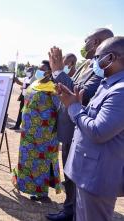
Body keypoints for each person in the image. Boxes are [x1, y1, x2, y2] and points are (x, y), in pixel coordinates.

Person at [46, 28, 114, 221]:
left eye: (87, 40)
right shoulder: (88, 65)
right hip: (70, 126)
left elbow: (82, 93)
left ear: (96, 42)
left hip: (80, 127)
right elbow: (70, 86)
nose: (84, 44)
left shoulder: (102, 69)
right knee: (69, 175)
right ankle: (69, 210)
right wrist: (56, 76)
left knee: (74, 178)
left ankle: (73, 213)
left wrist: (59, 71)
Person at [16, 60, 61, 201]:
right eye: (39, 69)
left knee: (41, 164)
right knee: (28, 161)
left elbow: (60, 110)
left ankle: (42, 193)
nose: (39, 72)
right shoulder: (36, 84)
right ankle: (25, 186)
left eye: (43, 69)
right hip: (28, 133)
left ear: (50, 72)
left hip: (44, 136)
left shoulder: (53, 89)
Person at [10, 67, 34, 131]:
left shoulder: (34, 79)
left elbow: (29, 86)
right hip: (23, 97)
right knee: (20, 112)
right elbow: (23, 85)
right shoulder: (26, 78)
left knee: (28, 113)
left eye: (28, 71)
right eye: (27, 71)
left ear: (32, 72)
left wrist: (23, 86)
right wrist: (19, 83)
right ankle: (17, 125)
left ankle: (28, 127)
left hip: (30, 98)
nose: (27, 72)